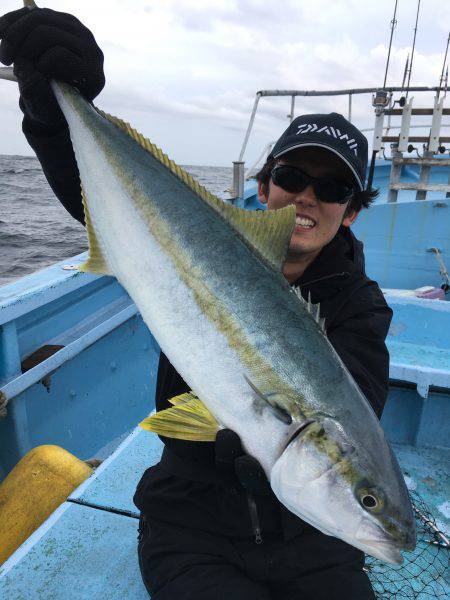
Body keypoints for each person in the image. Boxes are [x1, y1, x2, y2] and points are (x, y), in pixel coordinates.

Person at [0, 7, 393, 599]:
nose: (307, 198)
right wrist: (55, 113)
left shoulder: (362, 306)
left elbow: (357, 393)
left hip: (311, 539)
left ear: (353, 210)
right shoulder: (202, 239)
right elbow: (107, 210)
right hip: (190, 519)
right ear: (263, 189)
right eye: (291, 177)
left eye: (333, 188)